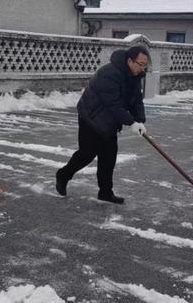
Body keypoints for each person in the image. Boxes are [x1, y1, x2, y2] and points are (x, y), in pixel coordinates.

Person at [55, 45, 148, 204]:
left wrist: (139, 119)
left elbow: (136, 100)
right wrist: (130, 122)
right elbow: (112, 104)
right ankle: (63, 175)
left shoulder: (135, 76)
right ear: (129, 61)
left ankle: (105, 192)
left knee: (109, 157)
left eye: (145, 64)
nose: (143, 68)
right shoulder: (108, 73)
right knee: (86, 154)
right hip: (91, 117)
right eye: (140, 64)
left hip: (110, 120)